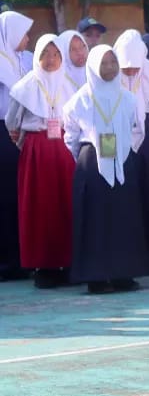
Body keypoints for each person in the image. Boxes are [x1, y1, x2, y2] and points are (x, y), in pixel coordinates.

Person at [63, 45, 149, 294]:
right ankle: (96, 276)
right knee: (96, 220)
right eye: (104, 63)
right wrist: (84, 157)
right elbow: (70, 135)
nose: (110, 68)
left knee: (124, 217)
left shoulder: (128, 98)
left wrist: (125, 150)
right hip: (92, 163)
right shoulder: (79, 100)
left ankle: (124, 272)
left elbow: (136, 129)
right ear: (93, 66)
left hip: (122, 160)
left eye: (113, 62)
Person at [7, 34, 78, 288]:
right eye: (45, 54)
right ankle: (43, 266)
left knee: (65, 204)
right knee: (40, 206)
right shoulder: (25, 87)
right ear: (37, 57)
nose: (51, 59)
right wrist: (28, 144)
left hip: (64, 149)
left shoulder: (69, 84)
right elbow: (12, 122)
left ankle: (67, 262)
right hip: (37, 152)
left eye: (55, 54)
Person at [114, 30, 149, 269]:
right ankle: (127, 251)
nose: (130, 71)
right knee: (125, 192)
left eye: (134, 67)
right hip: (118, 131)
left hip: (146, 133)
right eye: (126, 67)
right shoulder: (110, 69)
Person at [0, 11, 32, 282]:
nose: (27, 39)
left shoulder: (19, 60)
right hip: (2, 133)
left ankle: (20, 258)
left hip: (16, 131)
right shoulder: (2, 62)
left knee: (17, 196)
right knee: (6, 197)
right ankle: (8, 260)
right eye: (23, 33)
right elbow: (19, 92)